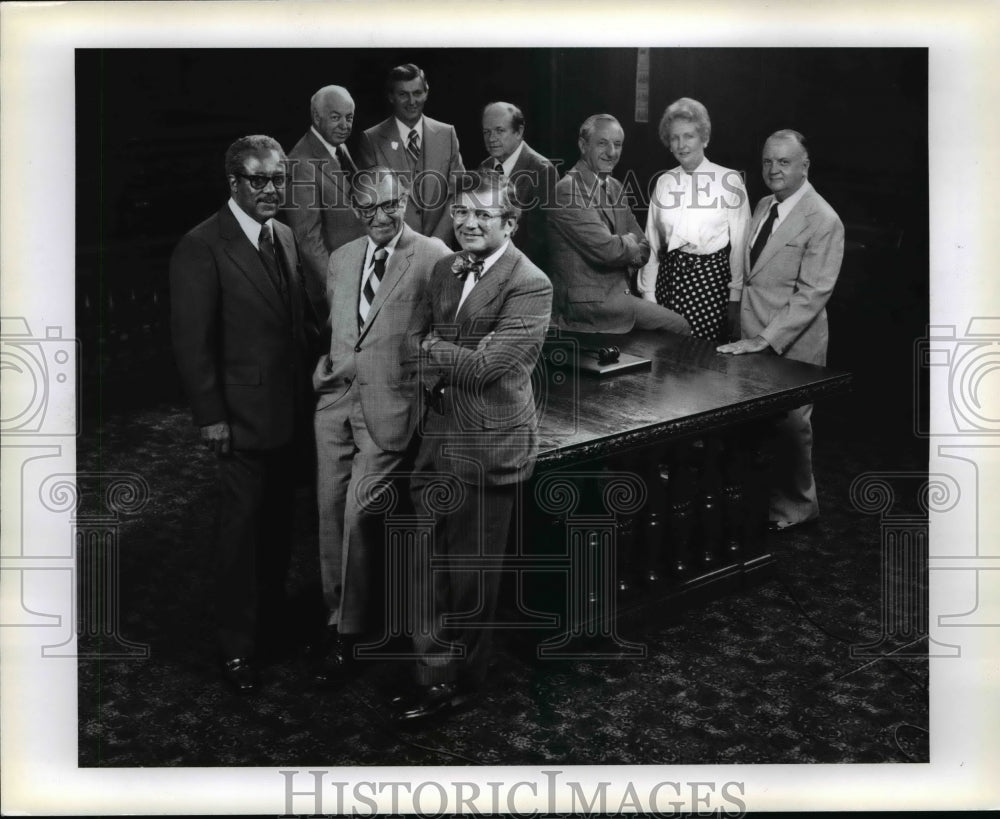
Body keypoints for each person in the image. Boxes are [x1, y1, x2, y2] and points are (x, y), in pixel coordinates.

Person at [392, 175, 552, 724]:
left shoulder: (530, 284)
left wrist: (436, 348)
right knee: (425, 569)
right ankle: (431, 678)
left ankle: (464, 684)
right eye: (461, 212)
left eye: (484, 215)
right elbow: (410, 348)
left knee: (471, 582)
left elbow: (488, 368)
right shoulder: (445, 268)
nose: (469, 223)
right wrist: (442, 350)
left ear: (510, 222)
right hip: (437, 439)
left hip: (489, 449)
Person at [169, 135, 318, 693]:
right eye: (259, 180)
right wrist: (211, 416)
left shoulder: (283, 234)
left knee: (278, 530)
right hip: (238, 418)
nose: (272, 189)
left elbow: (297, 325)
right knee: (240, 537)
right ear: (233, 183)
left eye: (279, 179)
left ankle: (270, 627)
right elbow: (192, 344)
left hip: (289, 413)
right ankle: (237, 648)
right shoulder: (201, 245)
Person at [309, 167, 450, 684]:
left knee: (356, 516)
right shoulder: (343, 259)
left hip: (390, 411)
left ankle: (349, 636)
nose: (381, 218)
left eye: (390, 206)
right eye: (368, 210)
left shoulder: (432, 254)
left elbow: (444, 333)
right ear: (355, 209)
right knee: (328, 514)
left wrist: (424, 395)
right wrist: (323, 371)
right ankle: (335, 616)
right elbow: (340, 332)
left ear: (407, 198)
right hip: (335, 406)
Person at [717, 129, 844, 531]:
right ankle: (758, 501)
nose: (774, 169)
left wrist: (764, 339)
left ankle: (798, 508)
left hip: (793, 342)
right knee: (755, 425)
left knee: (792, 426)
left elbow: (812, 294)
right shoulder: (764, 204)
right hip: (752, 335)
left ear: (805, 166)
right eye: (768, 161)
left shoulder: (823, 219)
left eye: (784, 162)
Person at [547, 114, 691, 336]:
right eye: (602, 143)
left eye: (617, 144)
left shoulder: (614, 186)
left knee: (677, 324)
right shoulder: (568, 190)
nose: (612, 152)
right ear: (583, 145)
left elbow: (645, 248)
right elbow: (609, 251)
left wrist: (625, 245)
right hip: (587, 306)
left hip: (616, 296)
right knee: (679, 325)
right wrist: (627, 244)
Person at [638, 98, 750, 341]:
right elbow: (652, 245)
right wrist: (649, 295)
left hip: (709, 288)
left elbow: (740, 248)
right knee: (665, 362)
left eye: (689, 136)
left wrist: (735, 299)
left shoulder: (729, 181)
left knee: (700, 364)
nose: (681, 144)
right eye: (675, 138)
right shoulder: (664, 182)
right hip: (666, 285)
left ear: (704, 138)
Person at [358, 63, 465, 245]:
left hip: (441, 247)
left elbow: (458, 193)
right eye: (403, 95)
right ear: (391, 97)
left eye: (417, 93)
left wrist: (437, 243)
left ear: (426, 93)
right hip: (394, 248)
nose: (412, 101)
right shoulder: (372, 139)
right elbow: (371, 202)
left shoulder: (447, 134)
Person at [286, 85, 366, 321]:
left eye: (349, 117)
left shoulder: (337, 146)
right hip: (331, 290)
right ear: (316, 117)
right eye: (335, 117)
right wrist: (340, 288)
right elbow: (308, 238)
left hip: (357, 274)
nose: (344, 125)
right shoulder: (300, 162)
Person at [477, 101, 560, 270]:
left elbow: (541, 238)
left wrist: (506, 270)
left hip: (524, 272)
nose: (491, 139)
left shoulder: (542, 170)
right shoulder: (484, 168)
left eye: (500, 131)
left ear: (519, 131)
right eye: (487, 132)